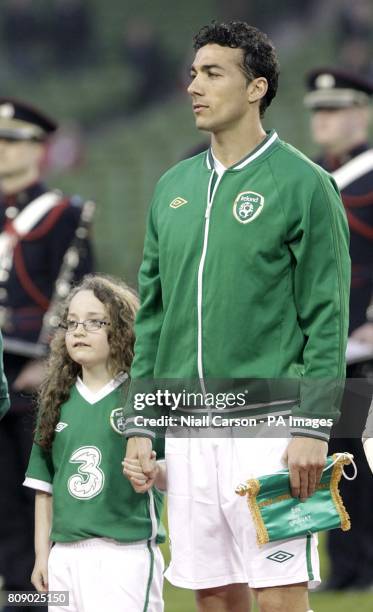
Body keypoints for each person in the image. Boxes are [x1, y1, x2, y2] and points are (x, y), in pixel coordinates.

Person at [123, 21, 350, 612]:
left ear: (256, 88)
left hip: (272, 428)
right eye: (194, 73)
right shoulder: (171, 188)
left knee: (278, 597)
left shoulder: (306, 185)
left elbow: (328, 319)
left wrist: (314, 426)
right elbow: (152, 319)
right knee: (215, 596)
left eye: (213, 73)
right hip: (188, 428)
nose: (194, 85)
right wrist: (141, 423)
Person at [23, 275, 165, 612]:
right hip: (65, 556)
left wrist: (154, 471)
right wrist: (44, 555)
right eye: (71, 323)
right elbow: (45, 488)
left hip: (125, 553)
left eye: (94, 322)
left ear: (122, 329)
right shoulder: (56, 401)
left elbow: (174, 470)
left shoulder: (142, 398)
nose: (79, 331)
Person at [0, 98, 93, 610]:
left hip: (35, 370)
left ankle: (42, 592)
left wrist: (54, 364)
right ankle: (18, 593)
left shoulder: (64, 214)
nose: (3, 150)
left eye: (13, 141)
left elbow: (79, 296)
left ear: (39, 150)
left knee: (35, 489)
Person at [304, 67, 373, 591]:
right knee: (336, 460)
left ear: (362, 113)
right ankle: (346, 566)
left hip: (367, 339)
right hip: (328, 345)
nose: (323, 120)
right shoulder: (309, 176)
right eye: (317, 111)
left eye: (334, 109)